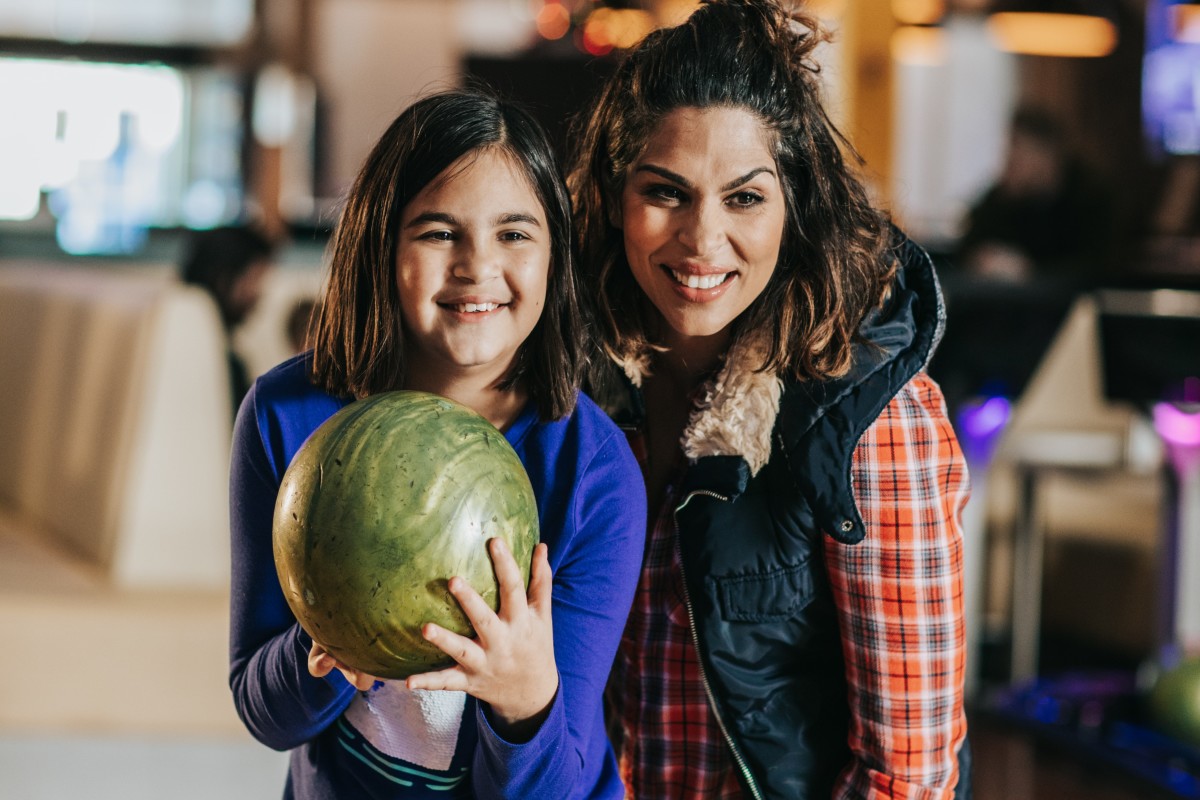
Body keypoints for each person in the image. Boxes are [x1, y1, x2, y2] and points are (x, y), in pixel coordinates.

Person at [568, 1, 971, 797]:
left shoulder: (872, 420)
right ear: (615, 199)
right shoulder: (583, 389)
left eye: (744, 198)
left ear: (796, 205)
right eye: (666, 192)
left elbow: (906, 778)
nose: (702, 239)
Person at [228, 88, 646, 799]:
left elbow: (561, 784)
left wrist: (525, 700)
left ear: (554, 258)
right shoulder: (288, 417)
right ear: (381, 244)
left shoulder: (594, 474)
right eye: (438, 231)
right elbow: (263, 711)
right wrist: (321, 649)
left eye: (514, 234)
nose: (476, 266)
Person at [955, 105, 1112, 287]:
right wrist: (981, 259)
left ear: (1045, 156)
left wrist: (1029, 271)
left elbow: (1094, 267)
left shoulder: (1091, 196)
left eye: (1018, 152)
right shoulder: (1004, 195)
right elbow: (967, 249)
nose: (1009, 161)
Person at [179, 224, 277, 416]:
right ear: (224, 279)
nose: (259, 295)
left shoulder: (175, 332)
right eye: (255, 280)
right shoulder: (227, 366)